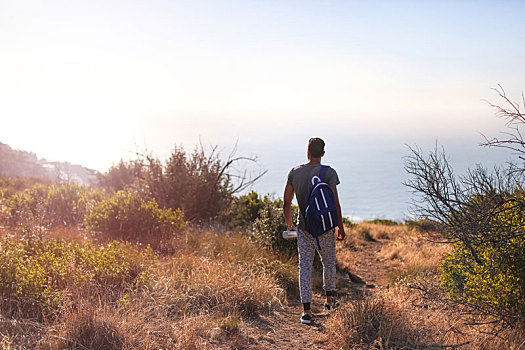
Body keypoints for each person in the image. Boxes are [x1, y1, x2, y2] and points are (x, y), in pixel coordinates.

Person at [283, 137, 346, 324]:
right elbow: (335, 203)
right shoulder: (329, 173)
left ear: (307, 152)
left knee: (305, 267)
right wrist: (340, 227)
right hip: (326, 228)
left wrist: (289, 224)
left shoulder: (295, 173)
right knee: (328, 262)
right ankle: (329, 301)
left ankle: (306, 311)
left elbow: (286, 203)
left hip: (304, 229)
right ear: (323, 154)